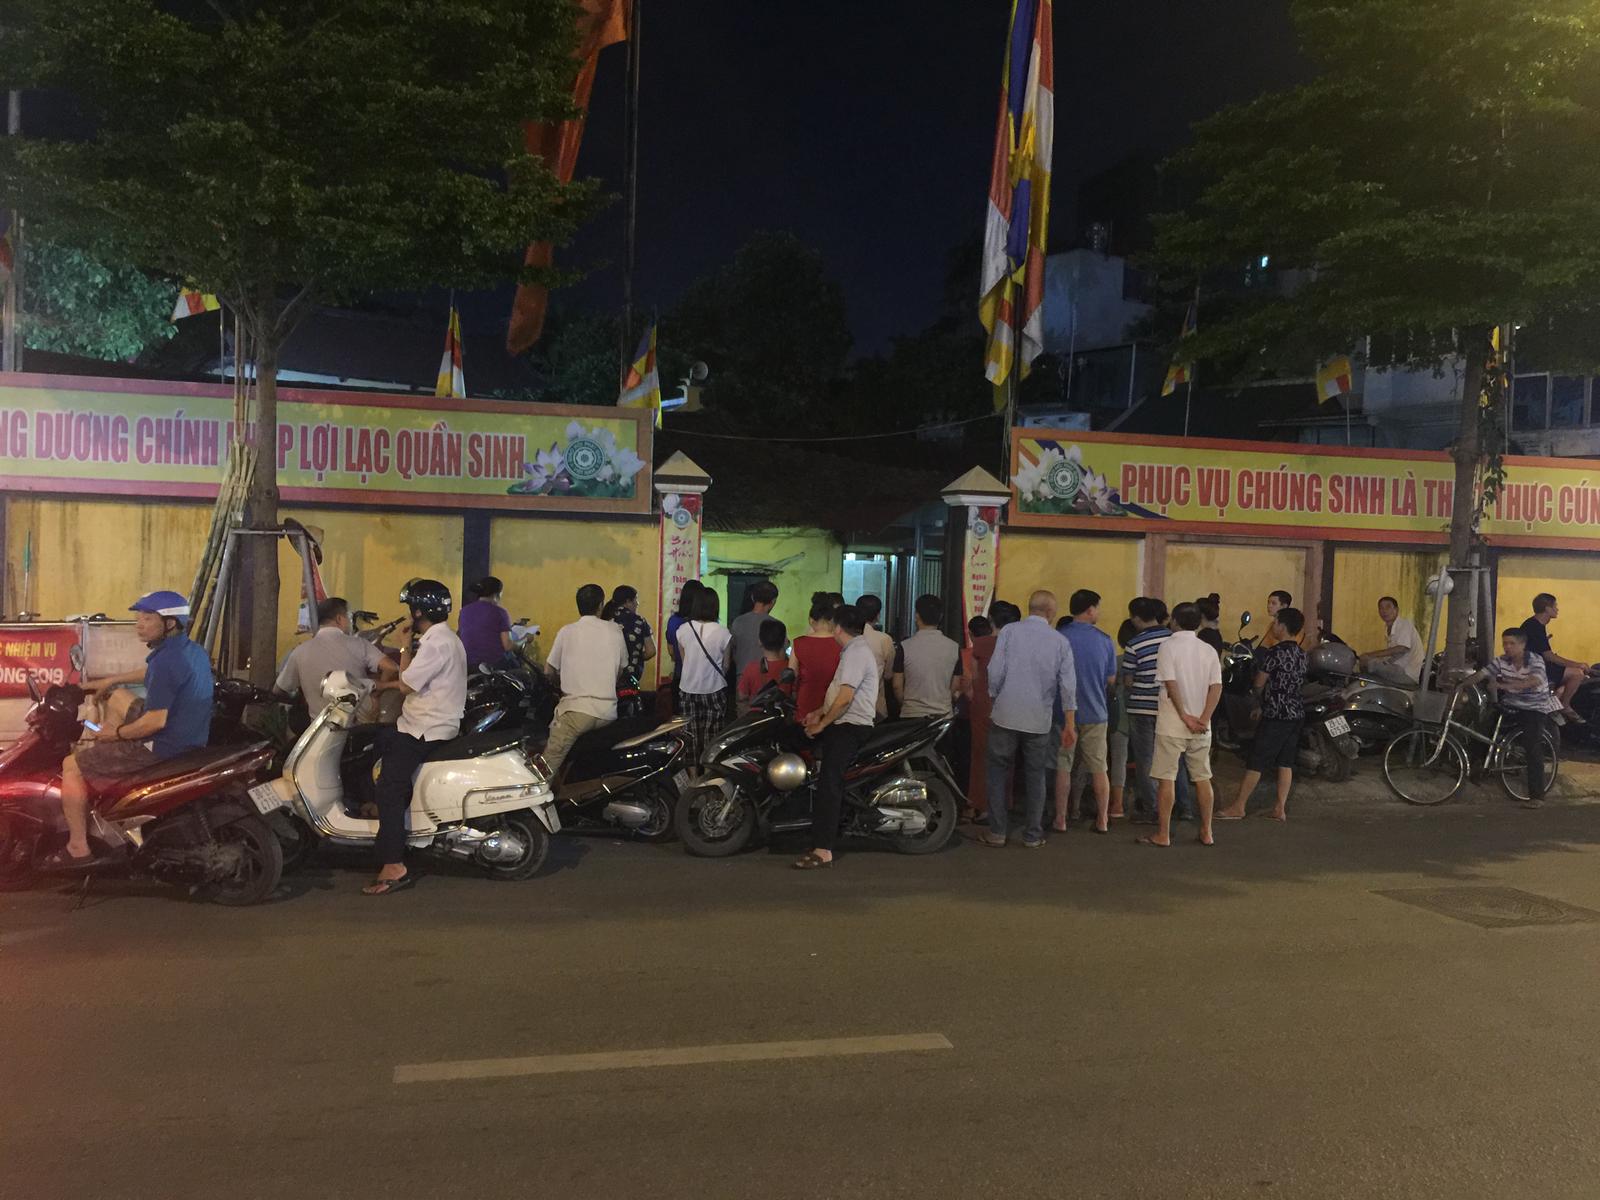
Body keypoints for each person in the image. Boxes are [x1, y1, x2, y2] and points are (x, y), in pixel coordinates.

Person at [46, 590, 215, 869]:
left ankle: (77, 847)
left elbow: (154, 722)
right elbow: (151, 674)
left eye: (147, 618)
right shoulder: (188, 650)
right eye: (139, 617)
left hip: (164, 745)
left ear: (169, 623)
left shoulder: (167, 661)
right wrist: (109, 681)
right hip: (189, 730)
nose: (139, 624)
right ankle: (108, 757)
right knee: (117, 696)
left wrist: (115, 734)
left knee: (71, 766)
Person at [364, 579, 468, 895]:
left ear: (418, 611)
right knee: (378, 746)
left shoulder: (436, 644)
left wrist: (402, 649)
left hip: (424, 729)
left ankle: (393, 863)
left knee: (389, 787)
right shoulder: (446, 638)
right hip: (425, 724)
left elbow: (406, 686)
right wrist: (406, 645)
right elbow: (408, 678)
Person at [978, 590, 1076, 850]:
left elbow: (995, 670)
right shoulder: (1060, 641)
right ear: (1051, 612)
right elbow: (1068, 686)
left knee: (997, 772)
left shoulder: (1009, 632)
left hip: (1005, 714)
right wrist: (1070, 723)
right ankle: (1032, 834)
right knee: (1036, 775)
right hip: (1038, 719)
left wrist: (995, 696)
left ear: (1030, 607)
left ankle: (997, 832)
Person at [793, 604, 881, 870]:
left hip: (851, 726)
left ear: (838, 627)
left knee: (830, 781)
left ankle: (824, 850)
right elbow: (836, 695)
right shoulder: (853, 650)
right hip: (843, 722)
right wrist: (818, 713)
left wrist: (822, 724)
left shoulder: (856, 653)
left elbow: (844, 698)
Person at [1140, 601, 1222, 848]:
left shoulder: (1168, 646)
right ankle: (1207, 831)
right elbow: (1216, 687)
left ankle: (1163, 833)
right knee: (1202, 777)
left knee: (1167, 778)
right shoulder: (1208, 650)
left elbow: (1171, 683)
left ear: (1174, 621)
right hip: (1201, 726)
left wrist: (1184, 715)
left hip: (1172, 724)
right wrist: (1204, 718)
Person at [1218, 606, 1307, 822]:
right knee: (1286, 761)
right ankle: (1279, 808)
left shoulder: (1274, 653)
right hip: (1296, 712)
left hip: (1277, 713)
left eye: (1275, 622)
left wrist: (1259, 701)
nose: (1273, 625)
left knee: (1257, 759)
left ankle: (1239, 806)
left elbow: (1259, 683)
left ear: (1282, 626)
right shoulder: (1302, 654)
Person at [542, 583, 629, 777]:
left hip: (576, 713)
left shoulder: (567, 631)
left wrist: (559, 682)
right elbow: (621, 669)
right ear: (600, 605)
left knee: (546, 767)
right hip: (608, 713)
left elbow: (548, 670)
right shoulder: (615, 630)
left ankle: (538, 793)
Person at [274, 596, 398, 725]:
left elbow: (279, 690)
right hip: (358, 726)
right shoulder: (359, 644)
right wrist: (376, 695)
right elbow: (391, 668)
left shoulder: (299, 652)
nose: (350, 622)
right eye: (349, 617)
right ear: (339, 619)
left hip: (321, 731)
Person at [1055, 589, 1119, 834]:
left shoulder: (1060, 637)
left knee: (1063, 765)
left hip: (1063, 714)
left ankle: (1061, 819)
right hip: (1096, 712)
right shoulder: (1104, 640)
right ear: (1090, 609)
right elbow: (1110, 679)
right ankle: (1102, 819)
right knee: (1099, 768)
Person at [1475, 627, 1561, 807]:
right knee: (1481, 726)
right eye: (1505, 643)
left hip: (1534, 707)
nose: (1507, 647)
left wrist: (1504, 686)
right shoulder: (1502, 661)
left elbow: (1534, 680)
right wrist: (1463, 683)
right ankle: (1479, 767)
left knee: (1532, 746)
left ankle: (1537, 796)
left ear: (1522, 645)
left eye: (1511, 643)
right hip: (1512, 704)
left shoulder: (1535, 660)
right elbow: (1482, 673)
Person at [1122, 596, 1170, 824]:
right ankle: (1172, 806)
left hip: (1141, 708)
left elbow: (1128, 680)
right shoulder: (1171, 639)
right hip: (1168, 707)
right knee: (1168, 760)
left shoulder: (1134, 643)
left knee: (1145, 760)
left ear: (1136, 618)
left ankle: (1153, 809)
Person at [676, 586, 733, 761]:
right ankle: (708, 771)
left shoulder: (682, 630)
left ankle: (693, 773)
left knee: (690, 734)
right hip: (714, 689)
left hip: (688, 689)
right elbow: (726, 665)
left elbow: (685, 661)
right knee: (712, 734)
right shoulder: (723, 632)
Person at [892, 594, 963, 719]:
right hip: (943, 716)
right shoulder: (954, 647)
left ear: (917, 616)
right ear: (941, 616)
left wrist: (907, 705)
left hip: (912, 714)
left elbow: (897, 685)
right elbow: (956, 684)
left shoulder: (904, 646)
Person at [1520, 593, 1588, 720]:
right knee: (1577, 674)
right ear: (1547, 608)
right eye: (1555, 606)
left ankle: (1555, 700)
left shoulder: (1533, 624)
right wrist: (1578, 664)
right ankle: (1565, 706)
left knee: (1570, 682)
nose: (1557, 609)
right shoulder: (1535, 627)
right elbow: (1549, 656)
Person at [790, 592, 843, 728]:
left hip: (806, 701)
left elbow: (792, 675)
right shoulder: (841, 644)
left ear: (811, 620)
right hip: (834, 702)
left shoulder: (799, 643)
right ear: (833, 620)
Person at [1359, 595, 1424, 686]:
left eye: (1388, 607)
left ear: (1396, 610)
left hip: (1407, 673)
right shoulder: (1388, 628)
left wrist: (1370, 655)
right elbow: (1393, 656)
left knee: (1369, 663)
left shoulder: (1404, 624)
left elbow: (1401, 648)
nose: (1384, 611)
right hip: (1397, 668)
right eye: (1381, 608)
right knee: (1365, 662)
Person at [602, 584, 656, 685]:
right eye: (636, 599)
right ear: (627, 601)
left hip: (607, 676)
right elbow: (651, 651)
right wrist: (635, 656)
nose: (637, 603)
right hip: (630, 678)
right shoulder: (640, 621)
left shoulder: (605, 619)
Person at [458, 576, 513, 671]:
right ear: (497, 594)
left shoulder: (464, 611)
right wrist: (524, 640)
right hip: (493, 665)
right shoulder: (500, 612)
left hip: (467, 664)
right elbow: (507, 645)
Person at [737, 618, 792, 711]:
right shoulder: (790, 668)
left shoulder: (751, 668)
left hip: (756, 717)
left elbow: (742, 695)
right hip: (783, 717)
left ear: (760, 641)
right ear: (784, 641)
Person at [855, 594, 896, 719]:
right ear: (878, 615)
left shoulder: (848, 636)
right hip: (875, 707)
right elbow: (889, 674)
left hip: (850, 707)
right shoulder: (884, 639)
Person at [728, 579, 779, 680]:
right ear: (773, 601)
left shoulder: (738, 622)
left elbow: (731, 651)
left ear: (752, 597)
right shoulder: (776, 625)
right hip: (767, 679)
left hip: (742, 676)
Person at [664, 580, 704, 682]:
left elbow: (671, 651)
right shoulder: (708, 623)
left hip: (681, 675)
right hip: (704, 678)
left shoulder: (673, 621)